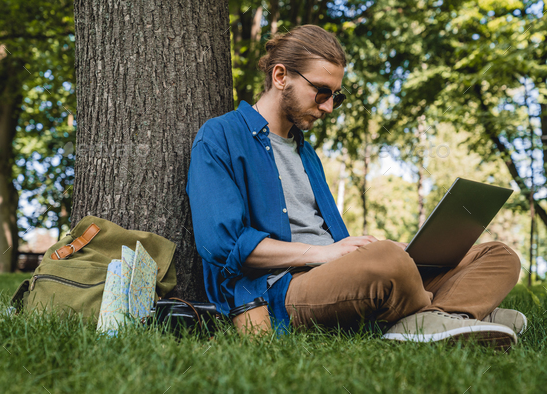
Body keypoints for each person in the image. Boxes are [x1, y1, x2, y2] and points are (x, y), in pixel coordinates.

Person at [186, 24, 526, 348]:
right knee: (389, 261)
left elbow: (333, 241)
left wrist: (379, 250)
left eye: (336, 96)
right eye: (321, 92)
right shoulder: (220, 137)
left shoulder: (307, 153)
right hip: (279, 289)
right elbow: (223, 245)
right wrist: (324, 254)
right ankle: (454, 313)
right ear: (280, 76)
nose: (328, 107)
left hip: (337, 272)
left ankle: (436, 318)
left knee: (498, 255)